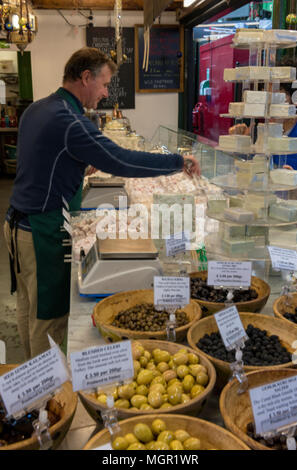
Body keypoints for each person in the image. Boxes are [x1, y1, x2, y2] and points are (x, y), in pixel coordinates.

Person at [3, 47, 200, 360]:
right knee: (48, 319)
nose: (107, 92)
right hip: (42, 229)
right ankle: (49, 398)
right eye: (105, 84)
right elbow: (121, 159)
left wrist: (76, 164)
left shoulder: (38, 108)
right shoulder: (69, 121)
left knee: (30, 310)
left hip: (17, 223)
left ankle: (31, 390)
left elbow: (40, 163)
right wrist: (178, 161)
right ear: (85, 78)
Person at [228, 57, 297, 171]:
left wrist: (295, 184)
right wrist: (241, 145)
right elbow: (249, 173)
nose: (267, 105)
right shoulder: (262, 130)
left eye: (275, 97)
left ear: (296, 98)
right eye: (265, 96)